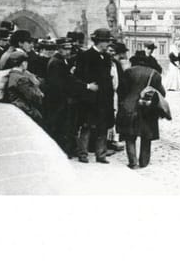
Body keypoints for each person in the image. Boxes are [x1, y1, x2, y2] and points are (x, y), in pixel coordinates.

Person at [116, 47, 167, 170]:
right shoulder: (154, 74)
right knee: (146, 136)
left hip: (129, 107)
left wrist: (123, 103)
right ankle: (144, 162)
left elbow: (121, 90)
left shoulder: (128, 72)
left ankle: (133, 162)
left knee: (130, 136)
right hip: (147, 109)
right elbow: (161, 93)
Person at [74, 28, 115, 163]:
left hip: (104, 99)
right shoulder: (86, 56)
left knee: (102, 127)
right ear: (99, 42)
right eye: (106, 42)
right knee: (87, 126)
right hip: (90, 99)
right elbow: (79, 77)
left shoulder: (107, 57)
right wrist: (88, 87)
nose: (108, 45)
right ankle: (83, 153)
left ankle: (101, 154)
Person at [42, 37, 86, 158]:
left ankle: (66, 150)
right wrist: (85, 86)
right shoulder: (57, 62)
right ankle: (63, 152)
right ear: (59, 49)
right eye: (65, 49)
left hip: (59, 101)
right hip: (59, 101)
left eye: (69, 49)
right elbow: (62, 83)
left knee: (63, 126)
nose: (68, 52)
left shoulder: (59, 60)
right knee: (61, 127)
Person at [4, 51, 45, 126]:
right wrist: (39, 92)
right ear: (23, 63)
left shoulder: (13, 74)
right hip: (26, 109)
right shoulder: (21, 79)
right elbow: (34, 96)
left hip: (18, 107)